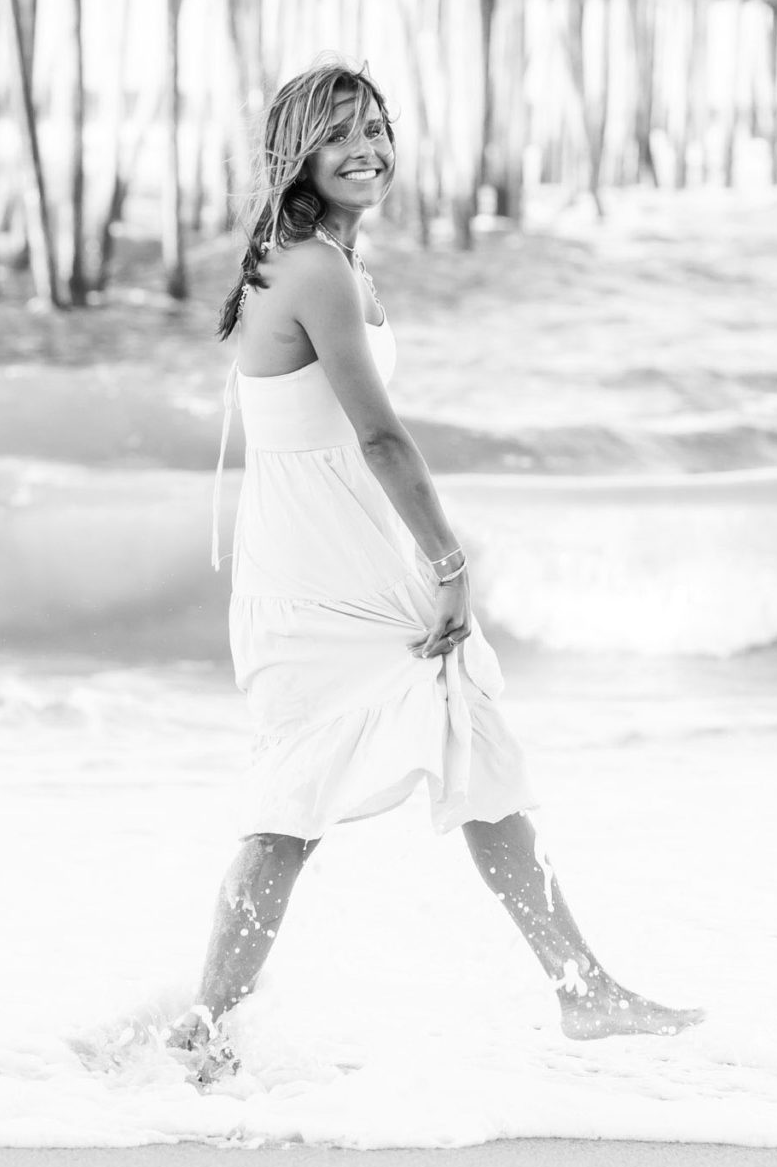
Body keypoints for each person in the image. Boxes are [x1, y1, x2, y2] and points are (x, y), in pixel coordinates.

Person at [177, 60, 700, 1079]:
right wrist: (450, 561)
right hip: (326, 577)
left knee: (468, 743)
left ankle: (581, 986)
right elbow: (378, 438)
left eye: (375, 127)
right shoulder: (317, 270)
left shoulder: (321, 259)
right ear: (300, 154)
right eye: (340, 136)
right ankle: (203, 1030)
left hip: (332, 554)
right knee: (291, 808)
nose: (366, 148)